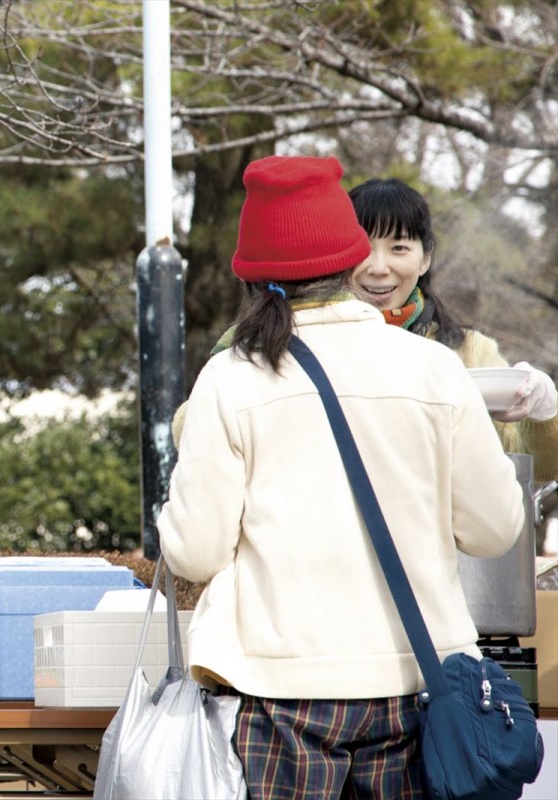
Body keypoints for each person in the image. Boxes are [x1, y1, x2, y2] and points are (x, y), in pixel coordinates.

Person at [158, 155, 525, 798]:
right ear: (349, 255)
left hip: (280, 699)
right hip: (416, 689)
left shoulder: (232, 375)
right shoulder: (435, 368)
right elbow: (496, 529)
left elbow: (194, 552)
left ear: (254, 274)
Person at [347, 177, 557, 482]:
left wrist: (542, 410)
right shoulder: (311, 344)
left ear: (425, 259)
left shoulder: (469, 352)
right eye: (363, 248)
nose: (379, 267)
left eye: (399, 247)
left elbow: (539, 466)